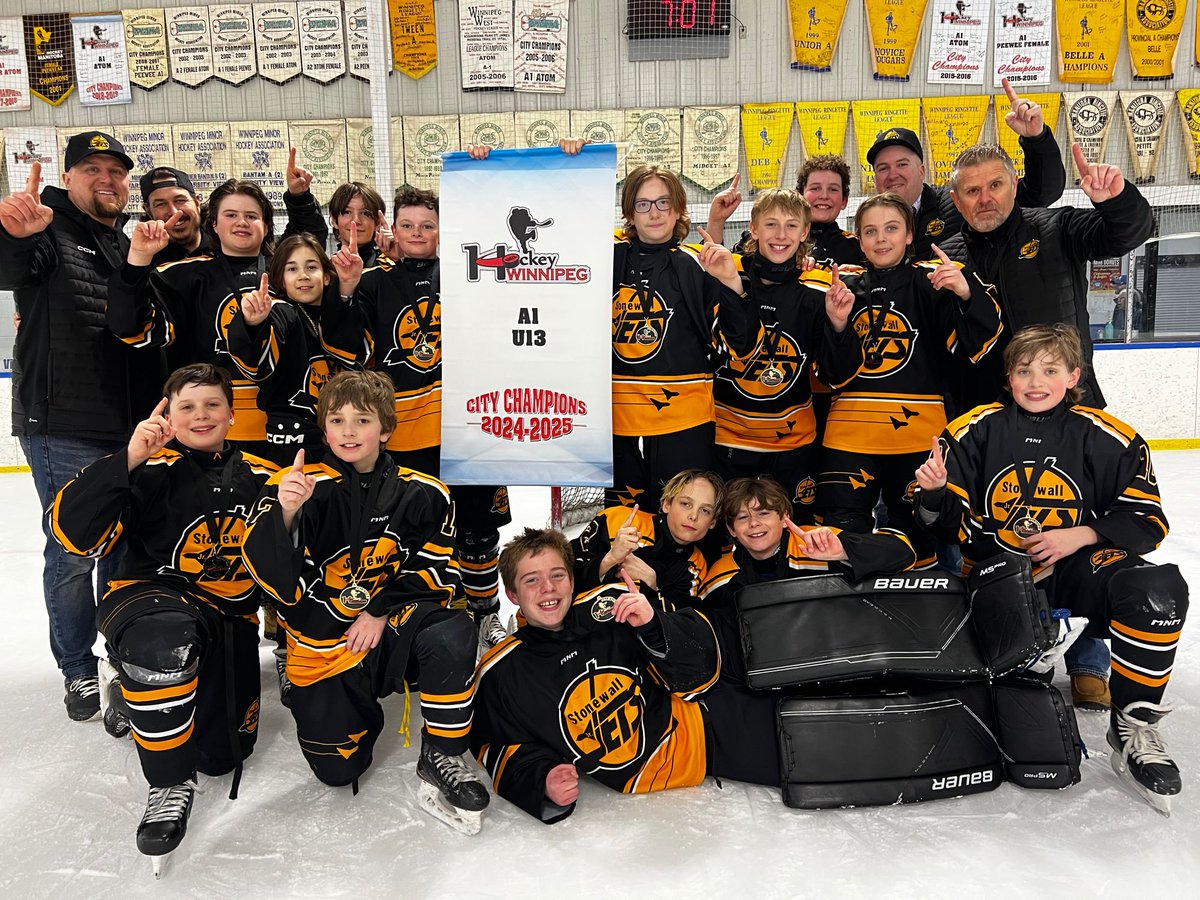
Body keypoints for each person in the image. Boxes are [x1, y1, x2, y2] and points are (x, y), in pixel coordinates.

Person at [913, 324, 1189, 814]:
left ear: (1073, 376)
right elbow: (941, 527)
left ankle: (1134, 722)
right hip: (997, 580)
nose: (1035, 381)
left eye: (1049, 369)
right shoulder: (972, 430)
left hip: (1077, 569)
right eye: (1023, 370)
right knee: (1007, 705)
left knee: (1157, 590)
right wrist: (933, 493)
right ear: (1009, 377)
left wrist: (1082, 534)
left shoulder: (1109, 436)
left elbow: (1147, 520)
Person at [47, 364, 278, 870]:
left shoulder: (265, 476)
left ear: (232, 413)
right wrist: (129, 458)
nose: (201, 415)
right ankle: (168, 784)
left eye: (212, 404)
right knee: (164, 650)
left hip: (227, 616)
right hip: (148, 597)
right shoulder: (146, 470)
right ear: (167, 415)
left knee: (222, 756)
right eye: (187, 407)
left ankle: (133, 692)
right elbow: (70, 533)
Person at [241, 370, 490, 832]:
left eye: (362, 419)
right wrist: (288, 513)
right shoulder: (294, 484)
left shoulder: (424, 492)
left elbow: (439, 571)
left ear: (387, 429)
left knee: (453, 630)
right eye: (337, 420)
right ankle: (337, 699)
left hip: (390, 625)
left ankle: (443, 754)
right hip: (323, 643)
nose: (349, 431)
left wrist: (379, 608)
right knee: (338, 772)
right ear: (324, 429)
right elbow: (271, 581)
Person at [0, 132, 165, 721]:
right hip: (62, 422)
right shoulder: (47, 228)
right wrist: (13, 235)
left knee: (121, 550)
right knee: (73, 552)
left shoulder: (125, 243)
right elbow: (10, 266)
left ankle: (122, 664)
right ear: (68, 177)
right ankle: (77, 668)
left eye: (117, 172)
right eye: (92, 169)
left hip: (125, 429)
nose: (107, 179)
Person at [471, 527, 782, 823]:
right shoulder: (502, 671)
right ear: (512, 594)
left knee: (815, 741)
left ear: (571, 581)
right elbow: (495, 745)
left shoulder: (608, 606)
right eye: (531, 581)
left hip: (707, 721)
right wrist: (541, 780)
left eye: (557, 575)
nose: (548, 588)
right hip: (694, 762)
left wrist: (653, 625)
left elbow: (700, 660)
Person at [321, 185, 513, 627]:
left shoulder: (469, 273)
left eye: (427, 225)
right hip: (406, 433)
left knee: (477, 531)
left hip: (470, 428)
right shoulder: (370, 281)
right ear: (394, 228)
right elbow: (345, 352)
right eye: (407, 225)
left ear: (443, 228)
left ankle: (485, 618)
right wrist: (346, 290)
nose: (417, 233)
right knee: (412, 531)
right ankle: (419, 619)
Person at [819, 194, 1001, 567]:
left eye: (891, 228)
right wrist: (838, 324)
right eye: (870, 231)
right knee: (839, 533)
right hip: (850, 435)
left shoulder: (932, 279)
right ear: (858, 238)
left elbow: (978, 347)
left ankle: (920, 616)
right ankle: (846, 613)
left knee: (920, 531)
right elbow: (831, 375)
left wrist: (966, 293)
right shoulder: (843, 286)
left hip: (916, 434)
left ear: (908, 235)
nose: (881, 239)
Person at [941, 142, 1154, 410]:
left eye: (995, 185)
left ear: (1015, 186)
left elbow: (1127, 234)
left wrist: (1117, 202)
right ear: (956, 201)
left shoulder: (1057, 228)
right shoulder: (945, 259)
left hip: (1068, 406)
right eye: (972, 191)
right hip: (985, 417)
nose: (985, 199)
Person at [713, 189, 860, 522]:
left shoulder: (818, 289)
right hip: (730, 438)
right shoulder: (727, 274)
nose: (781, 235)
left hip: (793, 441)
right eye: (771, 224)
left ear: (805, 232)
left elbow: (837, 375)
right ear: (753, 228)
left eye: (792, 226)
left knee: (796, 531)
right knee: (729, 532)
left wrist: (839, 326)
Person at [107, 179, 282, 451]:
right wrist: (138, 260)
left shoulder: (290, 273)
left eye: (251, 216)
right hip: (207, 428)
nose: (242, 222)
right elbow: (133, 330)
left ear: (266, 225)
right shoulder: (182, 276)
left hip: (282, 426)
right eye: (231, 215)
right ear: (213, 224)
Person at [699, 476, 916, 680]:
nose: (754, 523)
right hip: (770, 676)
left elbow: (904, 553)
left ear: (784, 518)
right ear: (732, 529)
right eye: (743, 517)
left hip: (839, 665)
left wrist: (844, 551)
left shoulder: (817, 541)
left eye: (763, 513)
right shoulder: (720, 576)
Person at [867, 77, 1065, 260]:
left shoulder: (962, 199)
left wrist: (1037, 139)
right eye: (883, 168)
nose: (892, 175)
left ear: (922, 171)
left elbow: (1040, 194)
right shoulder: (869, 220)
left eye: (902, 164)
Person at [226, 233, 342, 466]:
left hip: (339, 434)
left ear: (327, 277)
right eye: (292, 269)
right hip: (291, 440)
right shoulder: (281, 310)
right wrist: (253, 324)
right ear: (280, 279)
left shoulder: (339, 312)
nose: (303, 276)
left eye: (311, 266)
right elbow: (256, 365)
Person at [138, 149, 329, 267]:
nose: (173, 211)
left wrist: (300, 197)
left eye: (180, 200)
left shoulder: (238, 247)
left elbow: (306, 240)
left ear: (197, 201)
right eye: (160, 204)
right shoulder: (145, 258)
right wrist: (139, 259)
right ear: (147, 210)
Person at [571, 468, 726, 610]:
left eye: (705, 510)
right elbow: (562, 580)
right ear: (666, 504)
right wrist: (609, 560)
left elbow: (680, 626)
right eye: (685, 504)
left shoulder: (696, 566)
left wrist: (653, 585)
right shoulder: (617, 520)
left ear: (712, 522)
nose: (693, 516)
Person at [328, 180, 388, 268]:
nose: (356, 221)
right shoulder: (326, 270)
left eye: (365, 213)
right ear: (334, 220)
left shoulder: (392, 265)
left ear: (378, 223)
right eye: (347, 212)